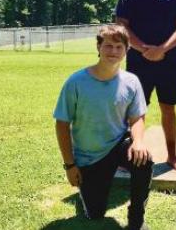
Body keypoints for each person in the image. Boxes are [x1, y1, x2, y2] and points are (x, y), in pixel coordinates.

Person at [54, 25, 152, 230]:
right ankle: (92, 188)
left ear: (127, 50)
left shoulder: (131, 81)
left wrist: (139, 141)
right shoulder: (76, 82)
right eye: (108, 46)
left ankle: (136, 217)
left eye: (119, 46)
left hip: (118, 145)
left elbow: (137, 118)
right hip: (89, 157)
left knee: (144, 159)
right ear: (98, 47)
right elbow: (62, 124)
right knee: (95, 214)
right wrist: (70, 166)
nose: (113, 52)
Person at [115, 0, 176, 171]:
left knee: (169, 108)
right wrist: (143, 49)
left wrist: (162, 49)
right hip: (138, 62)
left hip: (168, 62)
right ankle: (129, 157)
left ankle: (172, 155)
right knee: (136, 110)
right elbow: (122, 25)